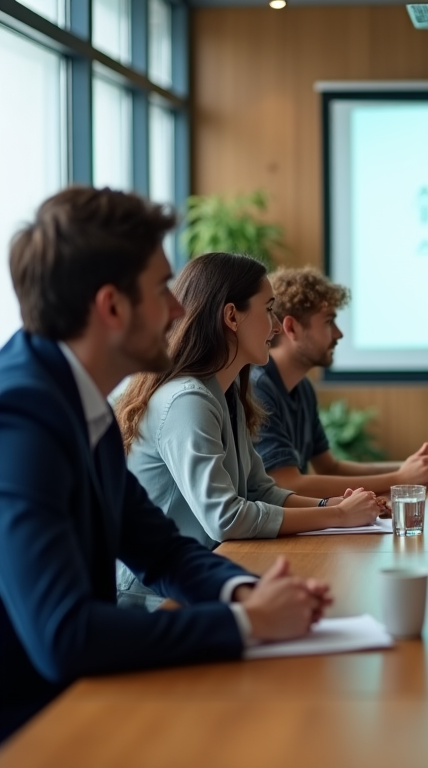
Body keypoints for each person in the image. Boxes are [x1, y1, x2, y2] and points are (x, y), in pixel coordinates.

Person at [0, 188, 331, 742]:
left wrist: (246, 594)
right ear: (112, 306)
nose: (179, 309)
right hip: (35, 729)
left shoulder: (78, 402)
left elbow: (159, 547)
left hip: (84, 700)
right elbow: (64, 636)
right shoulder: (22, 421)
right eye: (162, 290)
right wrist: (246, 623)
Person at [115, 253, 380, 609]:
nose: (274, 326)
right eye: (268, 309)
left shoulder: (226, 394)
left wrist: (331, 505)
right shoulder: (187, 401)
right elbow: (224, 518)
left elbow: (259, 489)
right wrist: (338, 516)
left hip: (206, 573)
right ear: (231, 317)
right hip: (152, 598)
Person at [252, 267, 428, 497]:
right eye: (329, 322)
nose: (338, 334)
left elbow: (330, 467)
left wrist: (408, 470)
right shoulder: (258, 389)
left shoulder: (302, 388)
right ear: (291, 328)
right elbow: (288, 484)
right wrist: (399, 479)